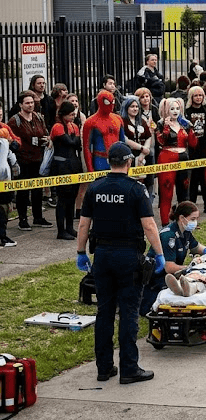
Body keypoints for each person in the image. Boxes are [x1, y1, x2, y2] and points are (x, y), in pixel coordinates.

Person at [76, 142, 165, 384]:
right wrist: (159, 253)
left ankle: (104, 368)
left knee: (104, 312)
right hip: (128, 256)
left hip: (102, 255)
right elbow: (149, 225)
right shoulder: (136, 190)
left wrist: (81, 252)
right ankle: (129, 368)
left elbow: (84, 224)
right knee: (128, 312)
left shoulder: (95, 188)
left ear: (108, 162)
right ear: (129, 163)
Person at [143, 201, 206, 313]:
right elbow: (169, 267)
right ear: (182, 218)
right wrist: (190, 268)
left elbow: (197, 247)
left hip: (170, 276)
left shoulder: (185, 232)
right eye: (193, 219)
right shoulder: (168, 236)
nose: (195, 222)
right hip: (157, 280)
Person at [8, 91, 52, 231]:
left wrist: (47, 139)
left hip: (38, 158)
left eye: (32, 102)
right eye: (27, 103)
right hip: (23, 160)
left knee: (37, 189)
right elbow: (12, 139)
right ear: (21, 104)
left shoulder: (38, 117)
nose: (30, 105)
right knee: (22, 191)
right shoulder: (15, 121)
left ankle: (38, 217)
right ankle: (23, 219)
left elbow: (45, 132)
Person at [154, 97, 197, 225]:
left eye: (177, 108)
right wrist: (166, 127)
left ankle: (185, 221)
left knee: (184, 191)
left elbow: (193, 144)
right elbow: (160, 141)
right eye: (172, 108)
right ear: (166, 110)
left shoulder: (185, 124)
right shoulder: (161, 124)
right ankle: (165, 223)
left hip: (184, 158)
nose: (175, 111)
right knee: (166, 192)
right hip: (167, 158)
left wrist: (192, 131)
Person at [49, 102, 84, 240]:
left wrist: (75, 138)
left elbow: (77, 142)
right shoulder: (58, 127)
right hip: (61, 165)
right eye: (70, 115)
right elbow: (70, 142)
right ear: (63, 114)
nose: (72, 117)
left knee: (72, 198)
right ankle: (61, 230)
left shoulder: (73, 126)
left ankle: (69, 227)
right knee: (63, 198)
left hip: (73, 164)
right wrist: (75, 138)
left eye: (74, 115)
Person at [184, 86, 206, 214]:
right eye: (196, 95)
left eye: (200, 95)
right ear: (191, 97)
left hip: (204, 148)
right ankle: (191, 206)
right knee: (193, 179)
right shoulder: (187, 111)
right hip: (191, 150)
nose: (198, 98)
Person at [83, 89, 126, 173]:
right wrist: (90, 169)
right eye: (107, 102)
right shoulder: (90, 122)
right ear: (100, 102)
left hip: (117, 161)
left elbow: (123, 143)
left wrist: (125, 162)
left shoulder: (118, 119)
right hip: (100, 161)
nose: (111, 105)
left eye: (112, 102)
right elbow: (86, 147)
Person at [0, 102, 21, 246]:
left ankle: (2, 235)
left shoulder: (5, 128)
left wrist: (13, 143)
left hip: (4, 175)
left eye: (0, 114)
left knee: (5, 206)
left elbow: (17, 142)